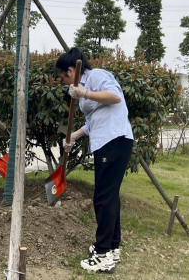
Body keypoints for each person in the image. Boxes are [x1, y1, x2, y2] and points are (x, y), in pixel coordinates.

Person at [57, 48, 134, 272]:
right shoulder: (83, 89)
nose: (65, 83)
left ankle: (103, 255)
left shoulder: (97, 76)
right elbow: (93, 120)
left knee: (103, 198)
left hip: (114, 140)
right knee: (109, 196)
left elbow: (115, 97)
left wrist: (84, 94)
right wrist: (74, 135)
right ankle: (113, 246)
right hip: (106, 141)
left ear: (70, 70)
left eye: (64, 77)